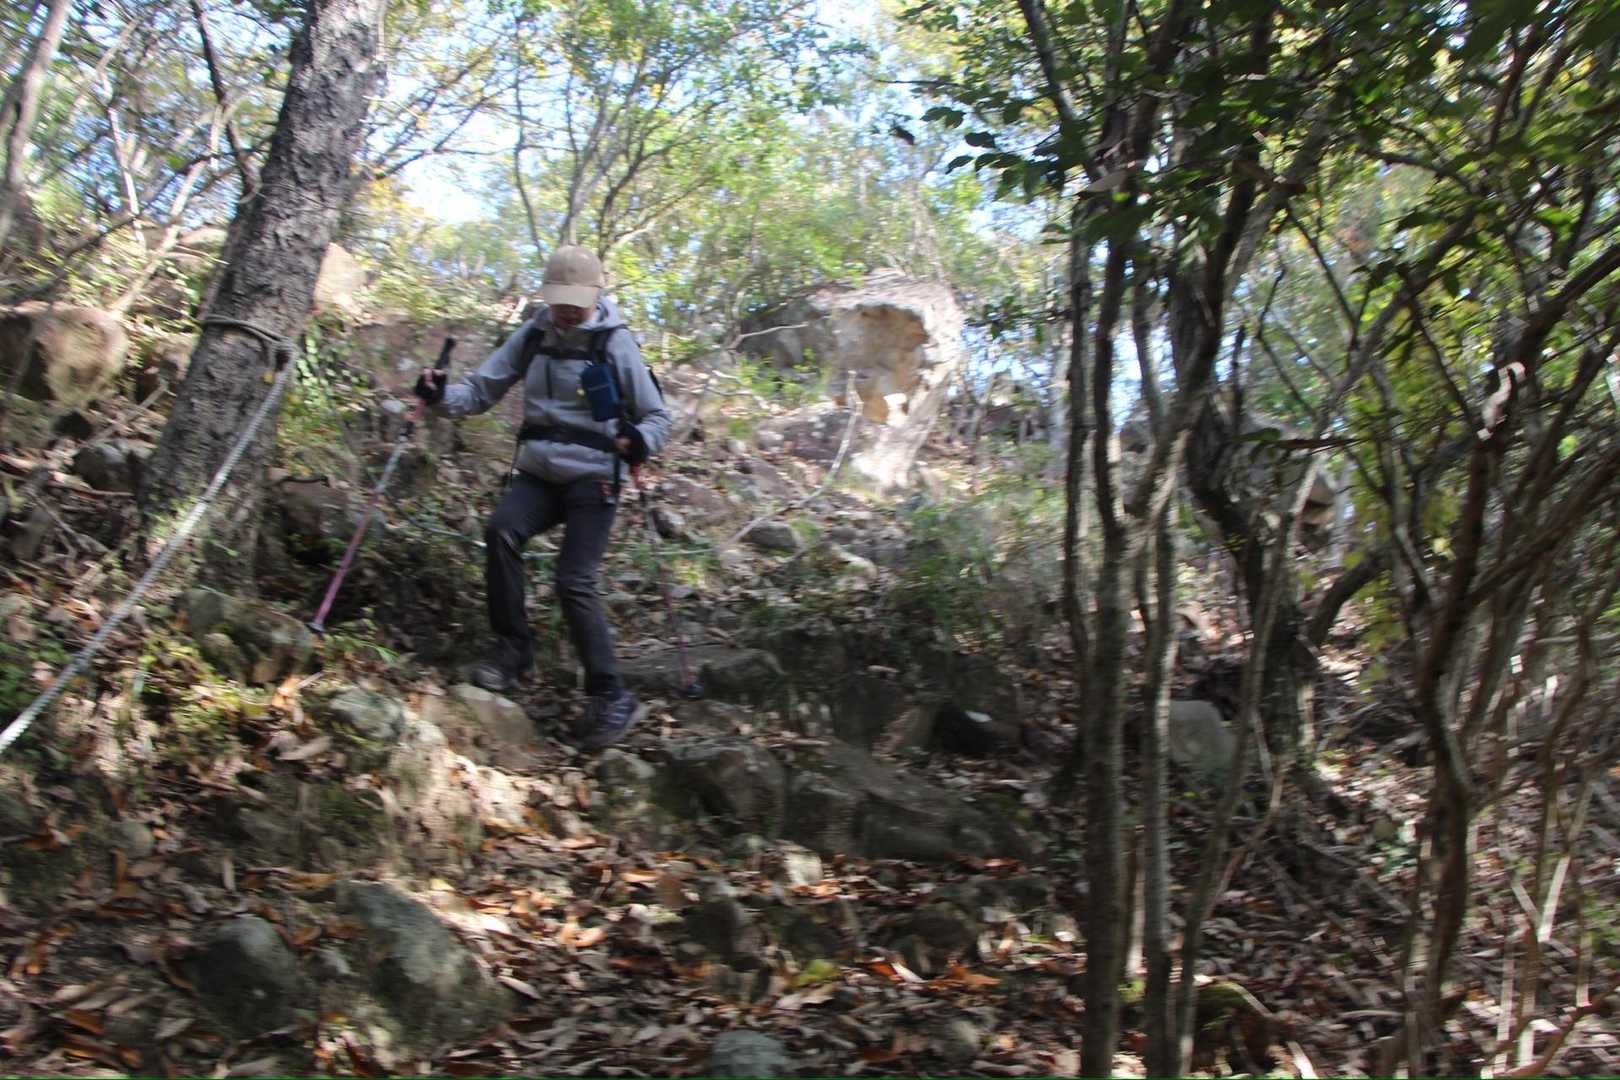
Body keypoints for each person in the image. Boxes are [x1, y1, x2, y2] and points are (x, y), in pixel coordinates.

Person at [414, 245, 671, 750]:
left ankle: (611, 694)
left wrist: (641, 441)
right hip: (538, 473)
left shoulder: (615, 342)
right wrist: (439, 395)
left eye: (577, 300)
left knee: (574, 579)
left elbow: (657, 416)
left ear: (596, 295)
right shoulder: (533, 335)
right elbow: (479, 392)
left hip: (594, 477)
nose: (568, 310)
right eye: (560, 299)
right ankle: (513, 650)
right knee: (501, 531)